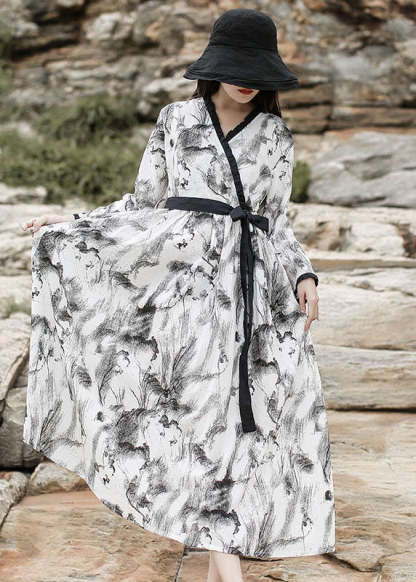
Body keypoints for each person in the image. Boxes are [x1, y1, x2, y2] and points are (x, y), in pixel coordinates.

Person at [20, 8, 336, 582]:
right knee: (196, 421)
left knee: (239, 427)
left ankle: (222, 570)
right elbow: (144, 203)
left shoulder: (275, 136)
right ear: (213, 65)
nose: (245, 82)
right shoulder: (177, 120)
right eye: (236, 68)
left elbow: (277, 222)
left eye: (255, 72)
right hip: (183, 294)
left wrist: (303, 274)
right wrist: (73, 224)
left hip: (250, 297)